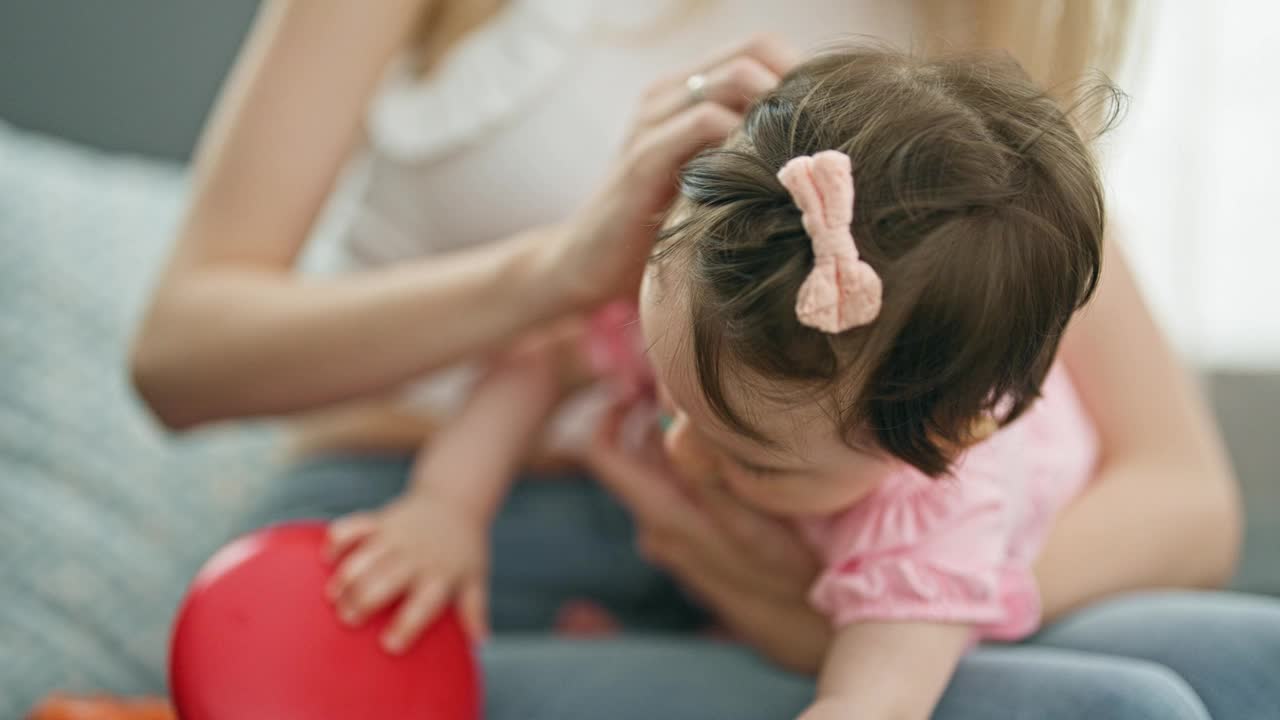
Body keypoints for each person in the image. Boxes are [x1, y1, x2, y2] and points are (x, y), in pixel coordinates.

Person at [131, 1, 1278, 717]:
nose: (684, 446)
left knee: (1247, 665)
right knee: (1126, 709)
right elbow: (176, 355)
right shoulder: (681, 331)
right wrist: (557, 275)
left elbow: (1179, 492)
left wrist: (851, 611)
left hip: (854, 559)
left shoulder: (969, 106)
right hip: (486, 529)